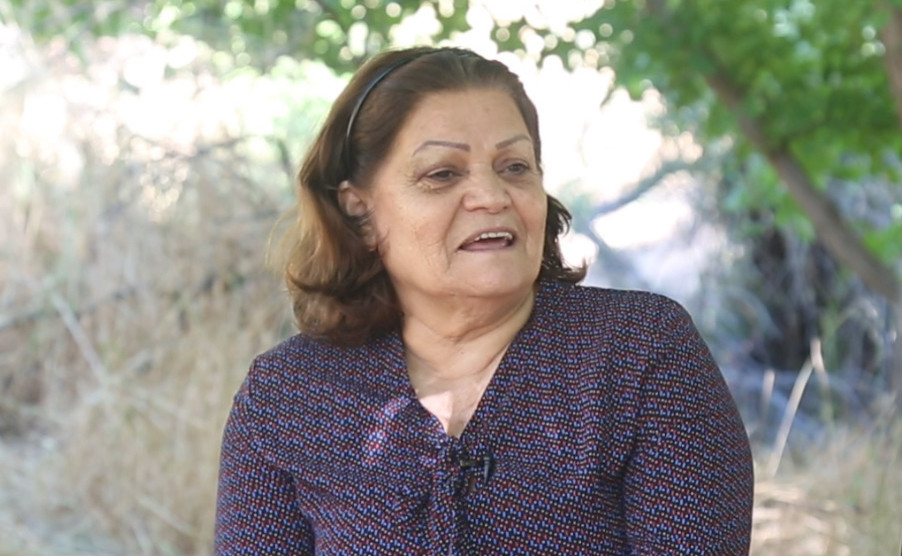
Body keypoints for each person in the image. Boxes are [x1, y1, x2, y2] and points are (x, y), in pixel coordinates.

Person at [216, 46, 754, 555]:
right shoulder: (287, 395)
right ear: (361, 211)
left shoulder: (638, 352)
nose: (492, 197)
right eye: (442, 174)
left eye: (515, 167)